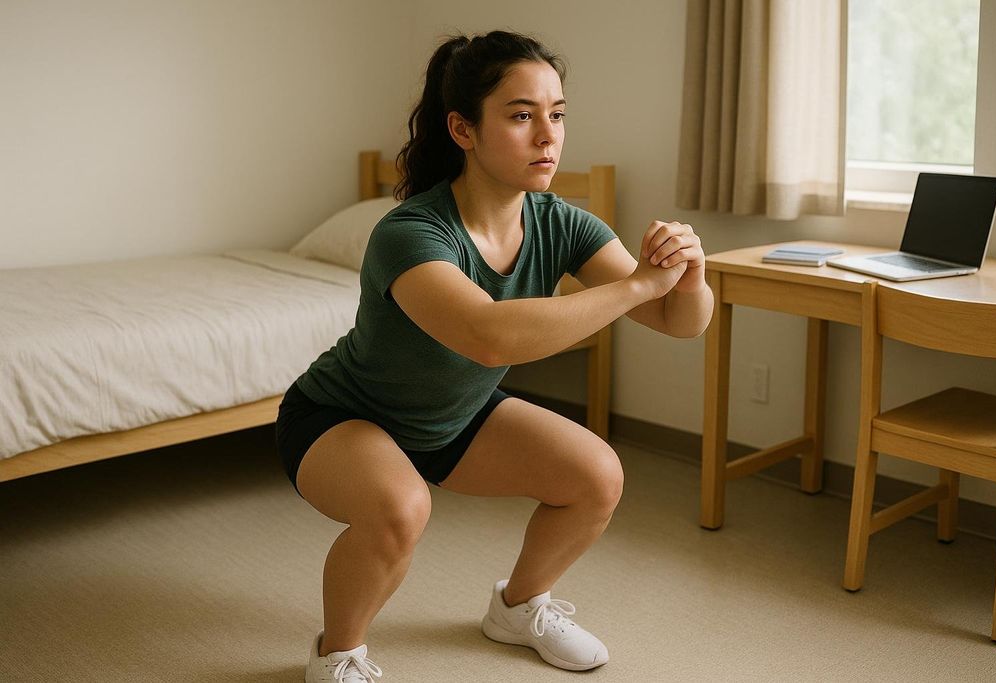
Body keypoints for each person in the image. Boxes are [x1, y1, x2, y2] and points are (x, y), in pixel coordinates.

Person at [275, 29, 713, 682]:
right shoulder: (411, 231)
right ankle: (337, 652)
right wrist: (639, 283)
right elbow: (487, 334)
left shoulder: (562, 222)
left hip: (455, 414)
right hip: (341, 414)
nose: (548, 136)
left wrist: (689, 273)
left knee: (597, 475)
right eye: (520, 115)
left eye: (557, 115)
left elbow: (677, 321)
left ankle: (518, 607)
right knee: (401, 508)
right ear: (463, 129)